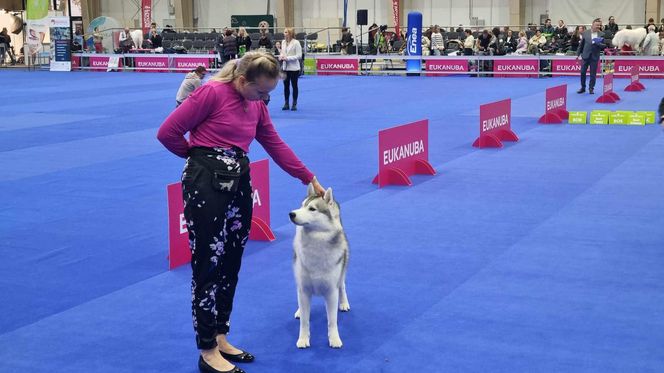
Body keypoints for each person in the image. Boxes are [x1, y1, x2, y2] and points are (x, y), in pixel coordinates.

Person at [157, 51, 325, 373]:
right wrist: (198, 156)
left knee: (231, 262)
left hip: (238, 184)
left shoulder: (257, 106)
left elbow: (275, 144)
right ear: (241, 80)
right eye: (261, 92)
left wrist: (308, 177)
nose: (264, 99)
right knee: (207, 266)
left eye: (269, 94)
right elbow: (167, 132)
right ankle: (207, 350)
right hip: (205, 185)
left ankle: (221, 335)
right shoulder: (211, 93)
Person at [576, 18, 605, 94]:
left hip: (594, 56)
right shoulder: (585, 33)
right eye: (597, 25)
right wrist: (577, 54)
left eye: (599, 25)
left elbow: (604, 46)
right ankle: (583, 87)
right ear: (592, 25)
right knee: (582, 72)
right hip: (585, 55)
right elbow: (581, 45)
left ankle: (591, 88)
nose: (598, 26)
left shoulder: (602, 34)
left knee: (593, 74)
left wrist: (598, 43)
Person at [279, 27, 302, 111]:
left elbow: (299, 55)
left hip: (294, 68)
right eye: (284, 32)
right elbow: (282, 52)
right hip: (285, 67)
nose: (284, 34)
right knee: (286, 86)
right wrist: (281, 56)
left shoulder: (296, 43)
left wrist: (288, 58)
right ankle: (286, 103)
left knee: (294, 86)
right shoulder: (283, 42)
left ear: (290, 33)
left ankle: (294, 104)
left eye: (286, 32)